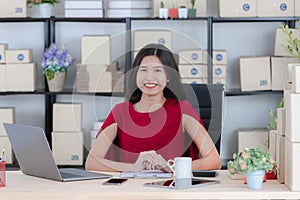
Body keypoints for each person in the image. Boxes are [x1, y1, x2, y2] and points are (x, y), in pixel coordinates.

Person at [85, 43, 221, 172]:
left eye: (157, 70)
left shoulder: (181, 109)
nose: (149, 77)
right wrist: (134, 167)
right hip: (129, 190)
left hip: (170, 190)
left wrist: (170, 166)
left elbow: (214, 160)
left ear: (168, 77)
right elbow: (92, 162)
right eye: (143, 70)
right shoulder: (120, 112)